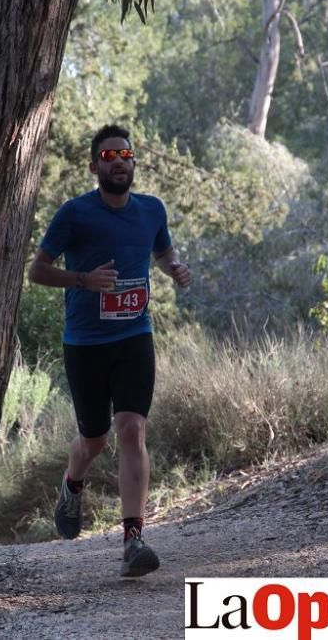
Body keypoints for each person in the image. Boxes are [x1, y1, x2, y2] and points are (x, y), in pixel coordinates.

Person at [27, 124, 191, 577]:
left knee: (133, 428)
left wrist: (173, 268)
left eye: (126, 154)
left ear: (134, 162)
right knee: (95, 440)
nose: (119, 161)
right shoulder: (75, 214)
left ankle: (133, 539)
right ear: (95, 164)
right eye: (108, 155)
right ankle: (71, 482)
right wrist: (82, 280)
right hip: (86, 342)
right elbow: (37, 271)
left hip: (134, 335)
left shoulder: (152, 210)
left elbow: (161, 252)